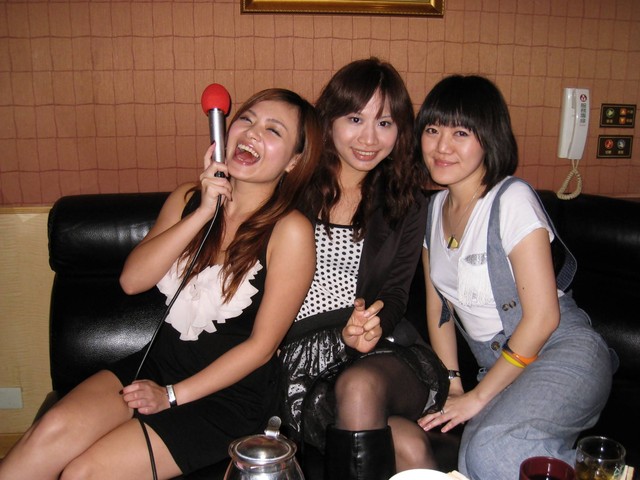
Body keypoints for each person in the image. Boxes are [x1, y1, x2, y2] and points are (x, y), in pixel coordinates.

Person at [0, 88, 321, 480]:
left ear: (294, 161)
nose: (253, 132)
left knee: (84, 472)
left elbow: (261, 348)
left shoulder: (291, 231)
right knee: (48, 433)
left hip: (228, 397)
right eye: (247, 119)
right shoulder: (188, 198)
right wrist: (203, 212)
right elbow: (132, 281)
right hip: (155, 364)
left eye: (274, 130)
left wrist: (170, 396)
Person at [415, 75, 615, 479]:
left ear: (489, 138)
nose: (441, 146)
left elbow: (543, 318)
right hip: (501, 369)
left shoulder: (511, 199)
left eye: (460, 133)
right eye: (432, 130)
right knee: (472, 461)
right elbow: (439, 311)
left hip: (562, 351)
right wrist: (454, 385)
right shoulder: (433, 210)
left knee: (492, 450)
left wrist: (478, 398)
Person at [279, 58, 449, 480]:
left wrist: (374, 326)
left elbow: (395, 293)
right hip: (304, 361)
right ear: (329, 120)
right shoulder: (290, 186)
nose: (369, 139)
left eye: (385, 123)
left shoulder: (406, 201)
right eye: (355, 119)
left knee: (360, 387)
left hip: (380, 351)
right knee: (408, 444)